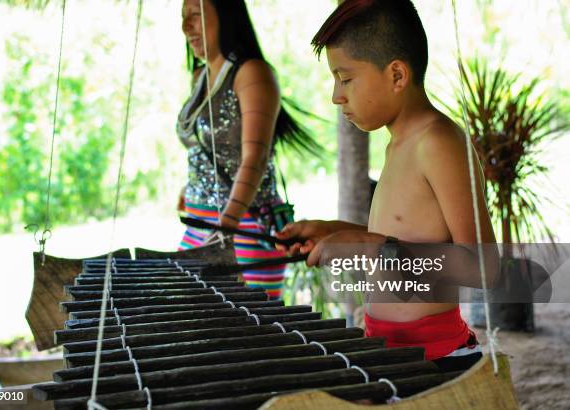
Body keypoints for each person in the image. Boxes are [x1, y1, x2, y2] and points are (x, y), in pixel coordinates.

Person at [277, 0, 499, 371]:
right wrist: (335, 232)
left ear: (397, 75)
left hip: (437, 359)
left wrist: (371, 245)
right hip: (390, 349)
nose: (336, 95)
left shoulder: (438, 142)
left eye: (345, 78)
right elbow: (405, 239)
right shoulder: (397, 142)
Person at [176, 0, 318, 300]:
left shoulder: (252, 73)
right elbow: (208, 147)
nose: (186, 27)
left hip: (243, 226)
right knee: (193, 318)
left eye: (196, 16)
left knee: (250, 331)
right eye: (183, 18)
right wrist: (192, 187)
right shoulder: (199, 77)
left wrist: (225, 228)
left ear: (226, 17)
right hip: (199, 223)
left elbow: (255, 156)